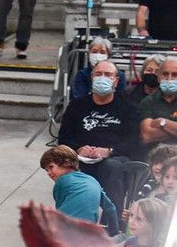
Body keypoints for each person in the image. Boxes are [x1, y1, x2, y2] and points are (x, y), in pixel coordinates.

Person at [59, 60, 141, 215]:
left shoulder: (128, 108)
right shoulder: (76, 106)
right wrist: (79, 148)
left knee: (111, 167)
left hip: (115, 159)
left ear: (116, 81)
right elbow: (63, 138)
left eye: (108, 75)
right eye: (98, 74)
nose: (102, 78)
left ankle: (113, 225)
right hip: (82, 159)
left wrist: (109, 151)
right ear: (92, 78)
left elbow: (133, 142)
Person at [40, 145, 118, 229]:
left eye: (51, 167)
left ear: (66, 163)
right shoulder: (93, 180)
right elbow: (110, 208)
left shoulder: (61, 182)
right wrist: (114, 232)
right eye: (47, 170)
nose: (49, 173)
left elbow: (59, 211)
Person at [138, 57, 177, 155]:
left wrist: (162, 123)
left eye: (175, 75)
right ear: (158, 76)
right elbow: (147, 135)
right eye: (165, 74)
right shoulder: (148, 101)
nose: (169, 79)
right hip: (155, 156)